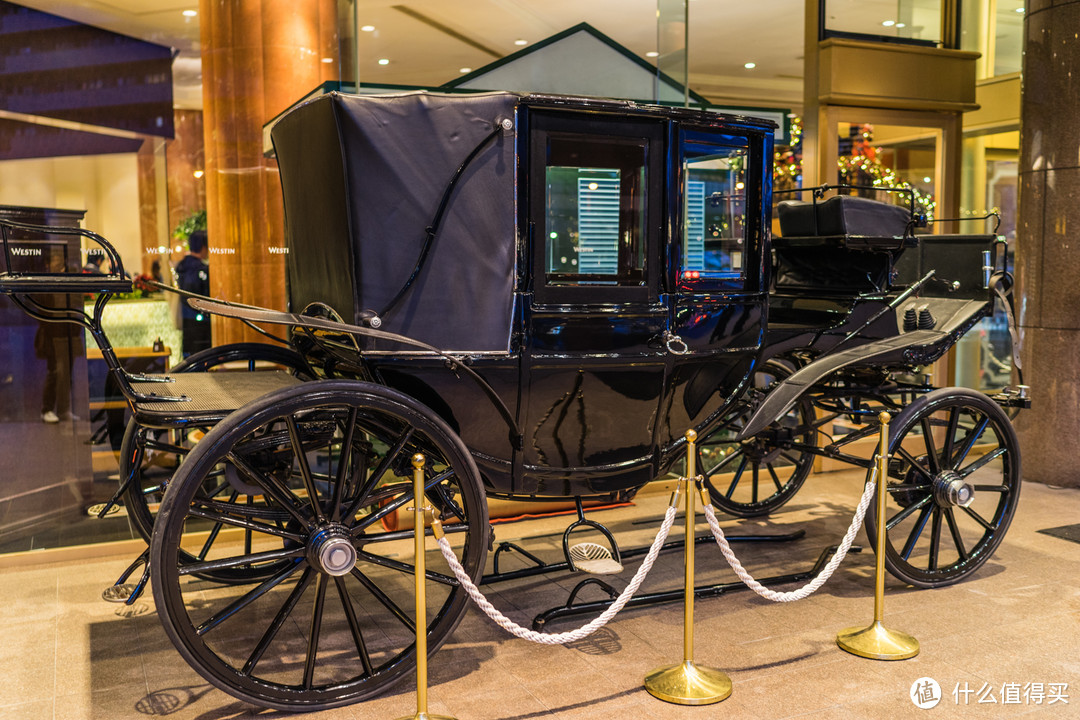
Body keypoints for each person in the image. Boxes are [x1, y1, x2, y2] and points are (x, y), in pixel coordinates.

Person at [175, 230, 211, 357]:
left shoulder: (181, 266)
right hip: (202, 319)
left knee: (189, 355)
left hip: (186, 316)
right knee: (202, 355)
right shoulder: (202, 269)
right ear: (203, 247)